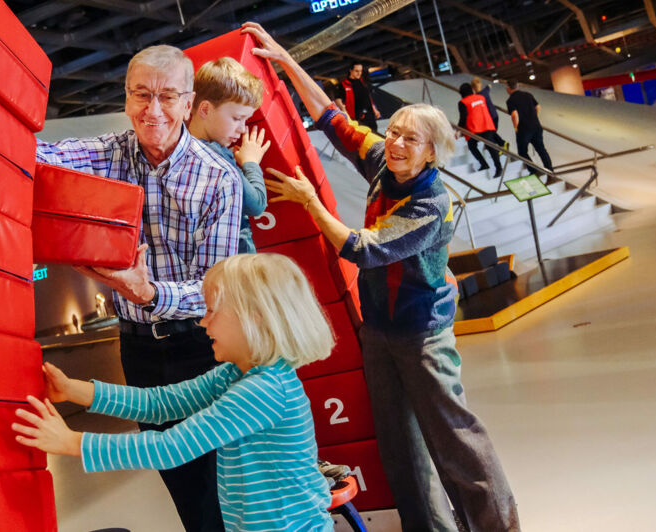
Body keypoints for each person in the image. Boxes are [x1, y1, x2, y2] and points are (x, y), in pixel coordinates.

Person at [242, 21, 521, 532]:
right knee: (400, 450)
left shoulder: (432, 202)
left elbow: (362, 249)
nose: (394, 142)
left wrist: (308, 201)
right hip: (381, 333)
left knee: (455, 440)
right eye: (392, 131)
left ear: (431, 151)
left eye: (409, 139)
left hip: (422, 337)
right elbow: (333, 117)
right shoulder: (383, 164)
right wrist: (284, 60)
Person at [35, 44, 241, 532]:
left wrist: (149, 294)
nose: (153, 111)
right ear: (126, 98)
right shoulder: (106, 154)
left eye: (168, 97)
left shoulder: (218, 180)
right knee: (181, 484)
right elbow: (39, 157)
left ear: (189, 104)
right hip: (137, 348)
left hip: (202, 345)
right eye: (141, 95)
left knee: (219, 486)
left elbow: (214, 290)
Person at [13, 253, 336, 532]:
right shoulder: (236, 374)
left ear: (254, 318)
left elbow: (171, 446)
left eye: (212, 312)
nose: (202, 323)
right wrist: (74, 390)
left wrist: (72, 443)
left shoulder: (263, 390)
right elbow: (161, 403)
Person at [188, 58, 271, 253]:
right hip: (235, 264)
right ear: (205, 109)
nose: (242, 129)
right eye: (237, 118)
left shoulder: (184, 149)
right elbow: (257, 204)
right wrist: (251, 162)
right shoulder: (216, 157)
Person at [458, 83, 508, 177]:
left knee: (472, 146)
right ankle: (498, 168)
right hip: (486, 125)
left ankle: (484, 164)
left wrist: (458, 130)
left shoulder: (463, 102)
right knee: (491, 147)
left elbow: (463, 118)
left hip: (474, 128)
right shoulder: (481, 98)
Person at [506, 80, 554, 175]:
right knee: (541, 148)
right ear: (517, 86)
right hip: (536, 126)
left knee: (522, 151)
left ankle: (533, 170)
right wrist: (534, 117)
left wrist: (516, 127)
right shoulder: (528, 95)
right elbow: (538, 107)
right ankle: (549, 169)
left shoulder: (510, 100)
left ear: (508, 88)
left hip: (524, 129)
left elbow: (515, 114)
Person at [341, 62, 380, 133]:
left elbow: (368, 97)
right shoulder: (344, 84)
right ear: (351, 70)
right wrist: (346, 115)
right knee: (363, 134)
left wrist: (375, 109)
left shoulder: (363, 82)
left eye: (360, 71)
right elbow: (340, 100)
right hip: (357, 116)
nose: (359, 73)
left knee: (374, 132)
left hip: (369, 114)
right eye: (356, 71)